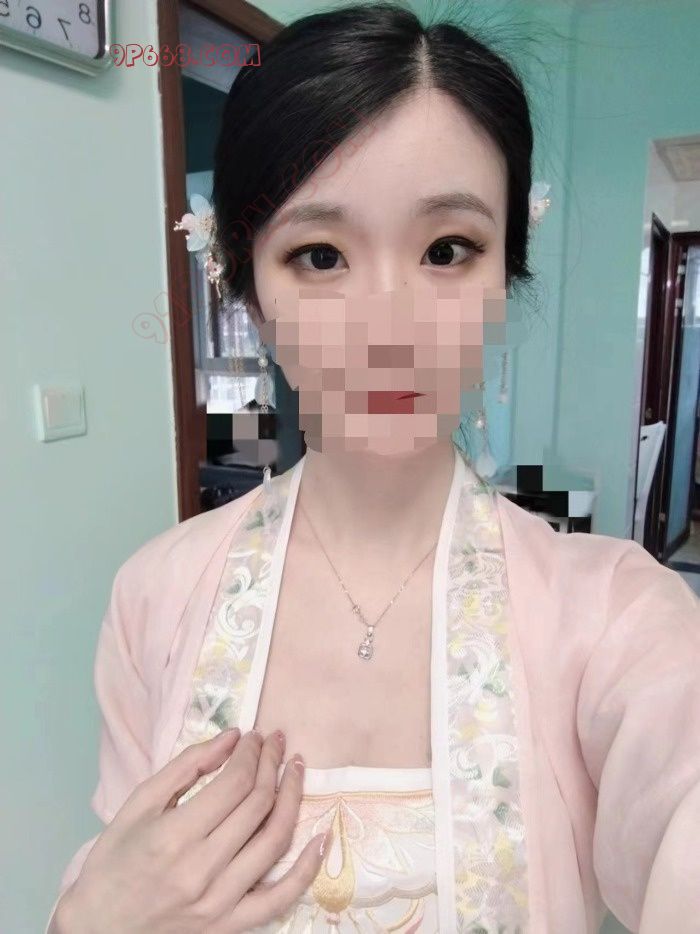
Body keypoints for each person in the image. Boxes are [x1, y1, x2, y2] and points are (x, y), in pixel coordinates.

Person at [47, 3, 700, 932]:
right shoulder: (154, 597)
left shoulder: (616, 616)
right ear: (249, 291)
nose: (390, 329)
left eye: (447, 250)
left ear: (504, 278)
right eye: (320, 255)